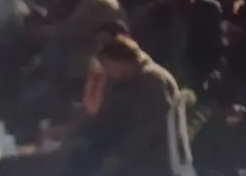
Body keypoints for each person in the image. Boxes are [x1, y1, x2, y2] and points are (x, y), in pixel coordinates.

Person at [71, 36, 185, 176]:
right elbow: (110, 117)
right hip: (135, 157)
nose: (108, 72)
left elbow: (146, 129)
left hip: (154, 162)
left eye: (108, 66)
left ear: (122, 62)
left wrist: (119, 158)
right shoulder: (130, 81)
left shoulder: (153, 80)